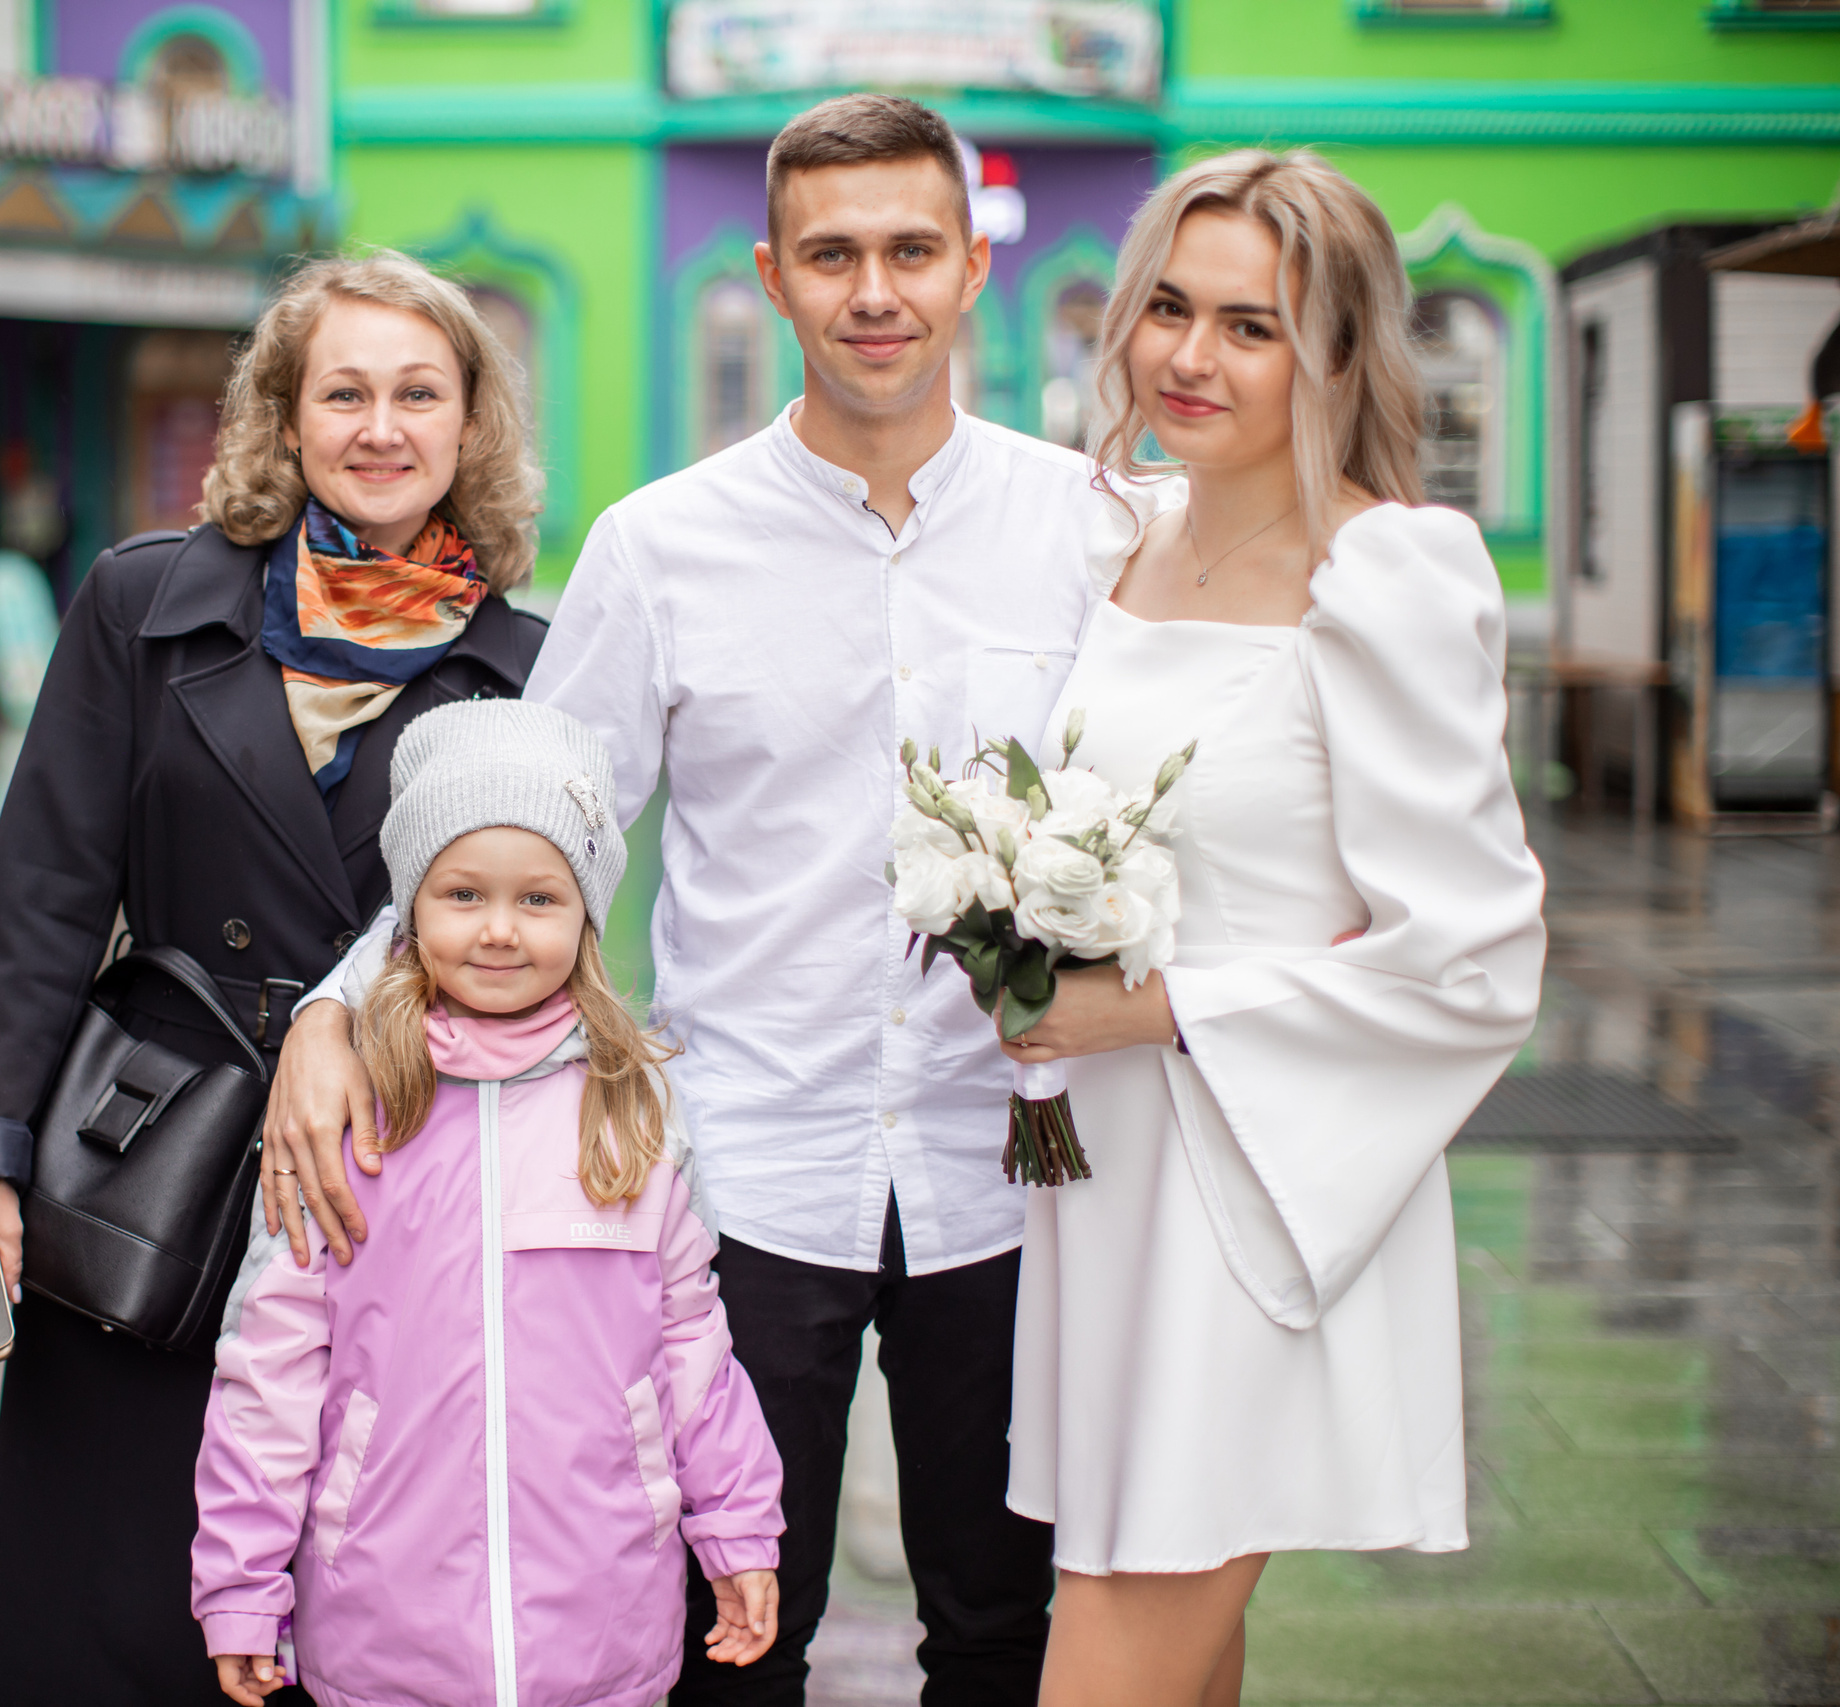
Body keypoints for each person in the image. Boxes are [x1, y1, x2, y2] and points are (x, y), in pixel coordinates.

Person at [267, 94, 1134, 1704]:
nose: (872, 289)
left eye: (909, 250)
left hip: (1021, 1166)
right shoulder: (662, 545)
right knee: (732, 1633)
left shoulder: (1089, 532)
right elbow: (541, 826)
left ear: (969, 273)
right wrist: (337, 1005)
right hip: (748, 1171)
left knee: (1007, 1630)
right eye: (832, 255)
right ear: (772, 274)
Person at [0, 251, 552, 1706]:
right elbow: (46, 892)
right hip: (149, 1161)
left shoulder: (522, 667)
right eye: (346, 391)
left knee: (341, 1581)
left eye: (419, 393)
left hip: (387, 1173)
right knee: (111, 1585)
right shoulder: (144, 604)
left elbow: (543, 942)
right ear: (286, 415)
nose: (382, 426)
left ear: (470, 423)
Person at [995, 151, 1546, 1706]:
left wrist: (1154, 1006)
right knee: (1178, 1637)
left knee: (1114, 1636)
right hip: (1108, 1186)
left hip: (1262, 1185)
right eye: (1168, 306)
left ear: (1341, 354)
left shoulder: (1387, 572)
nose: (1187, 355)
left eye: (1251, 326)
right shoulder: (1130, 541)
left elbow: (1472, 956)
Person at [192, 698, 787, 1707]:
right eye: (463, 893)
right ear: (411, 907)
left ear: (587, 910)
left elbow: (690, 1340)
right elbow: (271, 1362)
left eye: (540, 899)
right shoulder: (351, 1111)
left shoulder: (630, 1103)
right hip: (385, 1623)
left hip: (603, 1621)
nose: (500, 931)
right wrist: (242, 1583)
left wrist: (734, 1525)